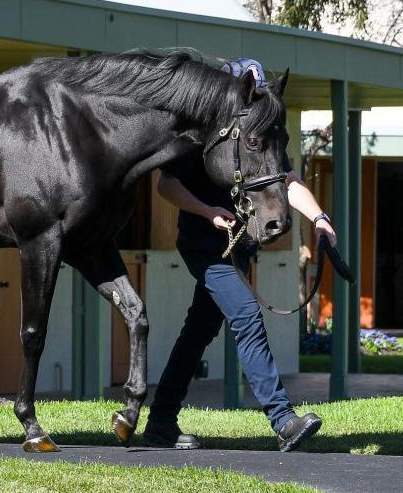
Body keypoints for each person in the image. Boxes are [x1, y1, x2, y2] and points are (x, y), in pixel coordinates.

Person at [143, 59, 337, 453]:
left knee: (197, 333)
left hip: (238, 248)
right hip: (203, 244)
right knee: (247, 314)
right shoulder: (197, 133)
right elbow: (166, 186)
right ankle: (283, 420)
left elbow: (287, 180)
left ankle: (161, 422)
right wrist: (207, 211)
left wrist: (319, 218)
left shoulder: (259, 133)